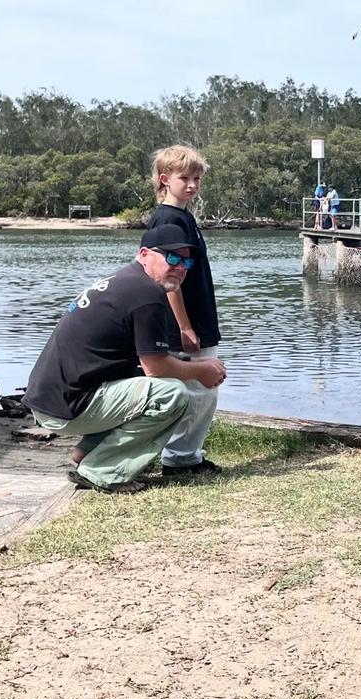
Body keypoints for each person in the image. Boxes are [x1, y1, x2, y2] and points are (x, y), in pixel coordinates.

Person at [23, 225, 228, 494]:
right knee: (173, 395)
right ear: (144, 254)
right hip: (66, 405)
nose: (181, 267)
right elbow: (156, 368)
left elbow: (147, 367)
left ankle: (88, 452)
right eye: (172, 258)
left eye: (187, 261)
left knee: (147, 382)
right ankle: (103, 471)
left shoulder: (129, 281)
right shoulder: (147, 294)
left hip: (53, 398)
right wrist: (201, 370)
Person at [148, 144, 224, 476]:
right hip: (186, 322)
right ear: (165, 179)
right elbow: (169, 281)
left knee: (202, 390)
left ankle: (185, 455)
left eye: (197, 178)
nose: (192, 185)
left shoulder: (183, 217)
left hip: (197, 316)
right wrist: (185, 326)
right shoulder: (168, 219)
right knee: (199, 389)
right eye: (185, 178)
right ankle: (181, 459)